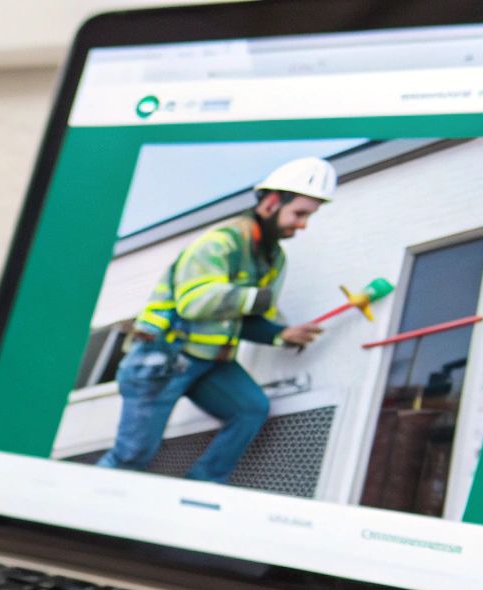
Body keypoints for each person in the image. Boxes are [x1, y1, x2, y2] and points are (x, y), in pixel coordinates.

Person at [96, 156, 335, 484]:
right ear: (271, 202)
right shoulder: (219, 243)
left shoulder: (273, 259)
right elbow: (195, 303)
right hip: (163, 357)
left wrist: (282, 334)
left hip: (210, 363)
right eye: (300, 214)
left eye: (310, 216)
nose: (303, 224)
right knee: (132, 456)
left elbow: (247, 319)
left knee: (250, 408)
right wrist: (256, 298)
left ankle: (201, 487)